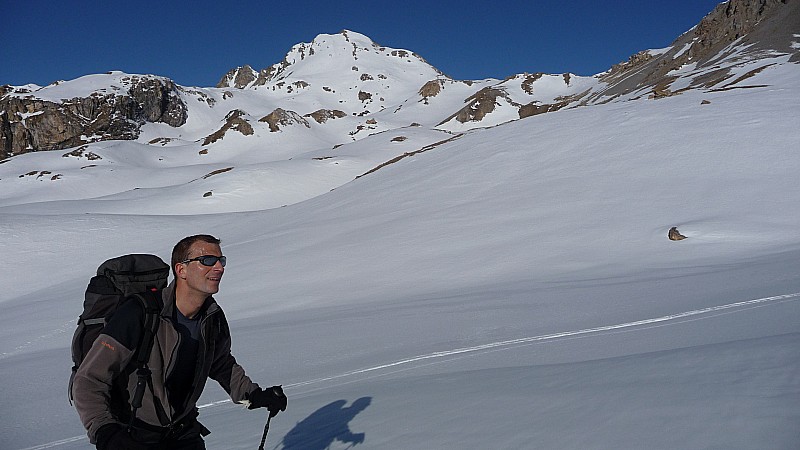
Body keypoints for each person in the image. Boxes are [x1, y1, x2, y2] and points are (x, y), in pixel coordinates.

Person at [72, 234, 287, 449]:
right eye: (208, 261)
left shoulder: (212, 317)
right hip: (134, 435)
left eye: (221, 261)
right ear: (181, 270)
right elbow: (89, 379)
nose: (219, 268)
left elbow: (221, 363)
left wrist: (254, 395)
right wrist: (105, 431)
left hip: (182, 430)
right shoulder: (140, 314)